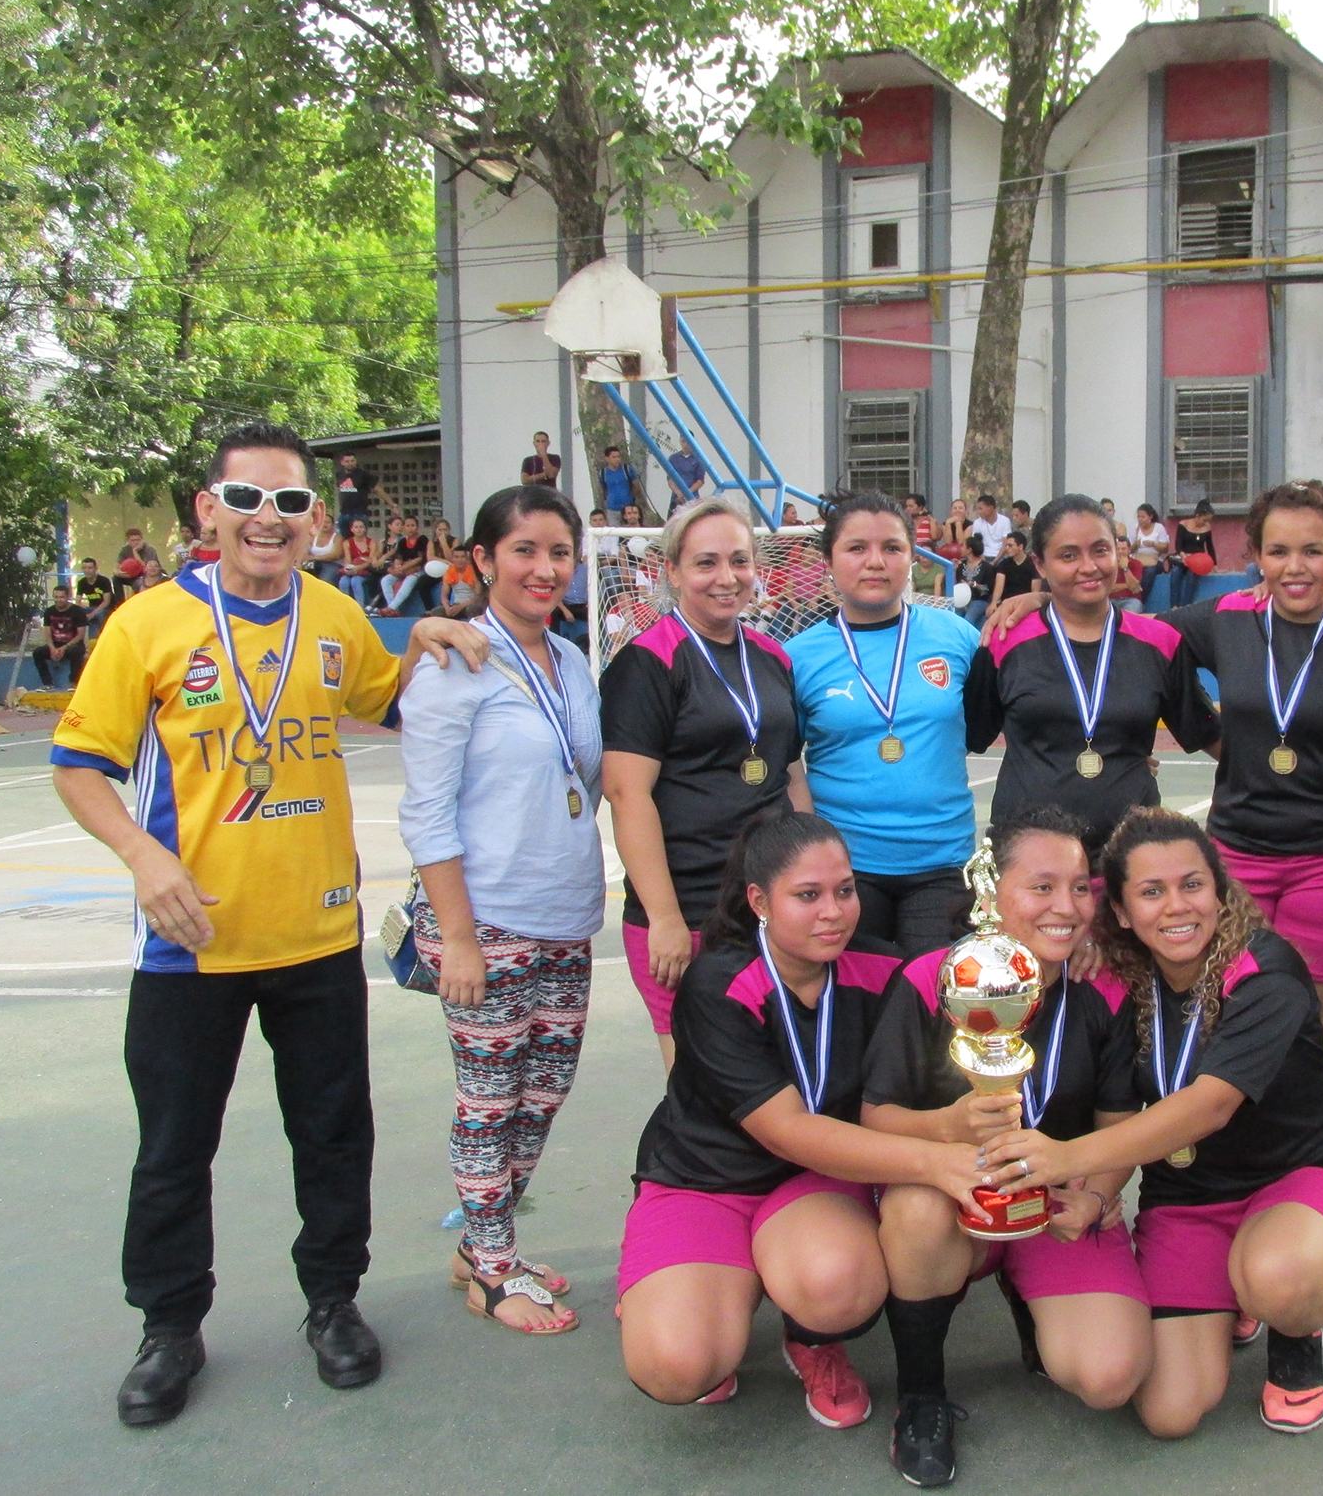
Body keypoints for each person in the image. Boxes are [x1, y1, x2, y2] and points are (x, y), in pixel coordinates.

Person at [48, 422, 475, 1426]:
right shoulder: (147, 625)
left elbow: (390, 702)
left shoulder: (332, 614)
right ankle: (168, 1325)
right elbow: (78, 765)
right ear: (208, 511)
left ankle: (332, 1302)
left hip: (318, 935)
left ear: (316, 522)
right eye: (247, 501)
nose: (268, 522)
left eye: (289, 504)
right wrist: (145, 858)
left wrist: (415, 641)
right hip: (188, 943)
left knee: (331, 1135)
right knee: (172, 1146)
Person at [980, 808, 1323, 1438]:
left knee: (1278, 1276)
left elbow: (1208, 1106)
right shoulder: (1122, 976)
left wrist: (1065, 1160)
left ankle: (1296, 1335)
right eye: (1151, 892)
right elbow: (1116, 1097)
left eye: (1192, 884)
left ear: (1219, 890)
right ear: (1125, 913)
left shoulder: (1266, 973)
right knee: (1168, 1413)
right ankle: (1238, 1287)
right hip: (1187, 1199)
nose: (1176, 907)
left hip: (1295, 1178)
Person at [616, 813, 986, 1427]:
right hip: (704, 1179)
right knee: (677, 1367)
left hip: (811, 1183)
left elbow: (972, 973)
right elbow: (787, 1129)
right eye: (808, 895)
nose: (835, 912)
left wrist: (1064, 947)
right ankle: (689, 1292)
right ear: (759, 900)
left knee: (837, 1287)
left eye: (845, 890)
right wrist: (939, 1159)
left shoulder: (881, 967)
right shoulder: (718, 983)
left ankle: (809, 1337)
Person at [863, 808, 1148, 1484]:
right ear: (993, 892)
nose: (1067, 906)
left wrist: (1100, 1195)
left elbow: (1118, 1125)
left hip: (1055, 1202)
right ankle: (922, 1396)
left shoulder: (1100, 986)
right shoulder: (934, 976)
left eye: (1081, 888)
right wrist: (947, 1132)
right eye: (1042, 887)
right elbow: (875, 1118)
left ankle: (1034, 1304)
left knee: (1110, 1378)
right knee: (913, 1214)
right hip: (948, 1191)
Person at [399, 485, 603, 1336]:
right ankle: (489, 1267)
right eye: (523, 551)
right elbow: (425, 811)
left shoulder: (575, 661)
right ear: (482, 560)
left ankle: (489, 1243)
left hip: (565, 915)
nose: (543, 569)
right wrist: (456, 937)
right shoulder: (456, 660)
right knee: (488, 1100)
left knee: (540, 1096)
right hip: (483, 921)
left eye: (559, 552)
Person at [1157, 480, 1323, 1052]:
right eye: (1278, 551)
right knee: (1228, 1018)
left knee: (1310, 1028)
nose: (1296, 568)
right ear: (1257, 557)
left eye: (1313, 551)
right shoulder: (1229, 617)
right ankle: (1230, 1142)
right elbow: (1139, 641)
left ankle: (1305, 1143)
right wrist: (1209, 735)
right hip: (1237, 854)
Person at [601, 496, 808, 1068]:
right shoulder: (646, 663)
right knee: (700, 1087)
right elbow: (626, 794)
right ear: (672, 571)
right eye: (706, 563)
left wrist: (812, 870)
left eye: (739, 561)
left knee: (784, 1072)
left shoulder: (772, 657)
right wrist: (663, 916)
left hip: (769, 906)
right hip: (688, 908)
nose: (726, 578)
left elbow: (789, 772)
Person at [787, 490, 981, 955]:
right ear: (829, 562)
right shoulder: (798, 657)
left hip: (943, 863)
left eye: (891, 547)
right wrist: (814, 851)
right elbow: (786, 763)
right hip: (846, 871)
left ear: (913, 558)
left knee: (934, 1009)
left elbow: (1026, 701)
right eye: (857, 548)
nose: (875, 561)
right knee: (857, 1014)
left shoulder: (958, 638)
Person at [967, 495, 1214, 858]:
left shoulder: (1160, 643)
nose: (1089, 567)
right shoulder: (1006, 641)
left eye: (1100, 550)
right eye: (1068, 555)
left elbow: (1207, 732)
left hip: (1131, 861)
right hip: (1030, 861)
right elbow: (967, 735)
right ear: (1040, 563)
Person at [34, 583, 89, 687]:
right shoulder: (49, 611)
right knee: (38, 653)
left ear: (68, 597)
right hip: (55, 645)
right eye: (56, 597)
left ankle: (73, 682)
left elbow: (80, 635)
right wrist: (52, 648)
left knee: (76, 652)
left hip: (73, 644)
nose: (59, 600)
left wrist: (64, 648)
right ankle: (47, 683)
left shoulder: (77, 611)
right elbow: (47, 633)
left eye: (62, 597)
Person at [1167, 500, 1217, 608]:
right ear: (1198, 516)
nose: (1205, 523)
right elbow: (1178, 544)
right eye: (1204, 520)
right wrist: (1184, 556)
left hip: (1198, 560)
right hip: (1183, 557)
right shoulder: (1183, 524)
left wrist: (1214, 564)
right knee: (1175, 573)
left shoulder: (1207, 528)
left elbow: (1210, 547)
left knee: (1192, 575)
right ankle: (1174, 605)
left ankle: (1185, 606)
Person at [1131, 504, 1171, 607]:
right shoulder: (1135, 529)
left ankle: (1140, 600)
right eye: (1138, 517)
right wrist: (1136, 545)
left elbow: (1165, 548)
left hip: (1155, 561)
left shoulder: (1159, 528)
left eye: (1143, 517)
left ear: (1150, 517)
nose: (1140, 519)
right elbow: (1128, 549)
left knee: (1149, 572)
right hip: (1139, 559)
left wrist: (1153, 544)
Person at [331, 451, 377, 535]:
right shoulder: (339, 475)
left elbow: (377, 488)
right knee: (343, 539)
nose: (350, 463)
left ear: (355, 461)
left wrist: (392, 504)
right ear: (342, 462)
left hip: (359, 513)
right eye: (347, 461)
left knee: (359, 539)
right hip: (344, 513)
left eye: (352, 461)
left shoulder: (363, 474)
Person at [988, 530, 1037, 608]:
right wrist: (993, 603)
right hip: (1007, 603)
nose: (1007, 548)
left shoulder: (1032, 564)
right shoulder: (1004, 564)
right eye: (1006, 545)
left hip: (1025, 604)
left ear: (1020, 546)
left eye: (1010, 545)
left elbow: (1035, 590)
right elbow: (999, 586)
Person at [337, 518, 379, 608]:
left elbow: (370, 561)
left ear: (365, 529)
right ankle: (345, 607)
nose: (359, 529)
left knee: (355, 581)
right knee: (343, 581)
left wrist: (358, 568)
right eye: (356, 527)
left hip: (367, 571)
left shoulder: (371, 542)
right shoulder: (347, 542)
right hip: (353, 569)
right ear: (352, 529)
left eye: (361, 527)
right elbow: (348, 560)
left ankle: (360, 607)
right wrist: (350, 568)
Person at [114, 528, 161, 600]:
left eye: (138, 540)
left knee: (138, 581)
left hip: (146, 574)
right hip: (131, 574)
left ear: (142, 539)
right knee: (115, 579)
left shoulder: (149, 549)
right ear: (127, 541)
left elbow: (147, 568)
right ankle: (120, 603)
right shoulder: (124, 549)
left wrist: (135, 552)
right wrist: (118, 573)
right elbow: (116, 566)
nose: (136, 542)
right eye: (133, 540)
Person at [961, 534, 994, 627]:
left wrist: (975, 585)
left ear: (969, 549)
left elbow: (989, 589)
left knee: (968, 620)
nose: (961, 549)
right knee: (955, 616)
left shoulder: (986, 567)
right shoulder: (961, 565)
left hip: (980, 599)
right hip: (963, 600)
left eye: (963, 546)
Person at [599, 445, 642, 517]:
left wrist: (629, 497)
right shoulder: (603, 473)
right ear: (607, 458)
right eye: (614, 457)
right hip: (612, 509)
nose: (617, 459)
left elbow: (637, 486)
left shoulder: (627, 469)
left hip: (627, 508)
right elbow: (603, 488)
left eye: (618, 457)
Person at [76, 556, 114, 636]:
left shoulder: (104, 581)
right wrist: (82, 611)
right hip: (92, 608)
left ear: (96, 568)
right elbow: (78, 601)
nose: (87, 570)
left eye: (90, 568)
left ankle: (103, 636)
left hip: (106, 609)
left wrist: (91, 614)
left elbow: (106, 602)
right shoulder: (81, 583)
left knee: (99, 614)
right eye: (84, 568)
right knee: (75, 613)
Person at [667, 440, 709, 507]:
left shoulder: (698, 459)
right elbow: (670, 479)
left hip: (692, 498)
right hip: (676, 498)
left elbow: (700, 481)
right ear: (680, 442)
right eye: (683, 441)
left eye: (687, 441)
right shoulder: (673, 458)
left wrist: (687, 493)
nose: (686, 444)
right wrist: (678, 493)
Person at [968, 494, 1011, 559]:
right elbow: (976, 544)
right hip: (983, 556)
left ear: (990, 507)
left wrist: (994, 562)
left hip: (1001, 556)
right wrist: (984, 562)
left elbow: (1005, 544)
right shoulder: (977, 522)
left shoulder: (1005, 521)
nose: (979, 512)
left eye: (981, 509)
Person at [1110, 535, 1145, 612]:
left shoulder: (1137, 564)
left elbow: (1134, 588)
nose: (1120, 552)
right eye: (1118, 549)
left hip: (1131, 600)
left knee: (1134, 606)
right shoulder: (1109, 565)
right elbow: (1108, 588)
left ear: (1129, 550)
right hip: (1110, 601)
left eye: (1123, 549)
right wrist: (1127, 585)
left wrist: (1125, 568)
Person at [936, 498, 970, 563]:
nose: (957, 510)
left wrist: (958, 523)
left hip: (964, 555)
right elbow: (948, 542)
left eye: (960, 508)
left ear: (965, 511)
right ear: (951, 511)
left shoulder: (970, 525)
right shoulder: (946, 523)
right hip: (949, 553)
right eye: (955, 508)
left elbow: (961, 542)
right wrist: (948, 524)